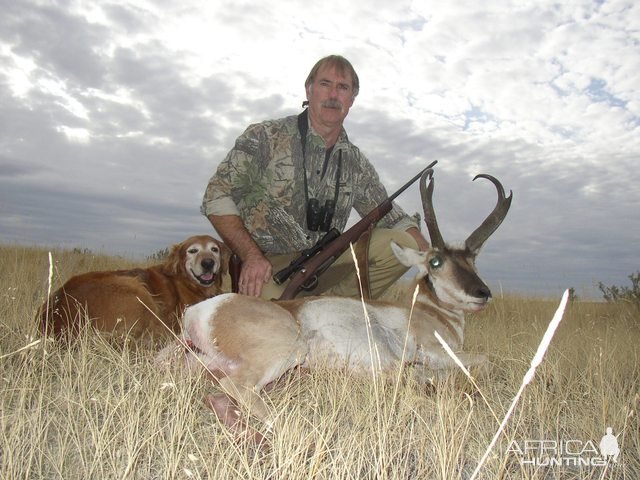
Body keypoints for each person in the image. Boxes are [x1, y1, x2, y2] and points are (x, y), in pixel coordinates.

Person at [201, 55, 429, 298]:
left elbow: (393, 218)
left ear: (352, 99)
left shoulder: (355, 162)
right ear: (309, 90)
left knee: (406, 243)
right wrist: (252, 257)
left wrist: (436, 258)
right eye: (325, 84)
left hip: (325, 263)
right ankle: (302, 310)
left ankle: (336, 310)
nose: (333, 95)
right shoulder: (265, 136)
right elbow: (216, 196)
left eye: (343, 87)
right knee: (270, 324)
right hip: (270, 267)